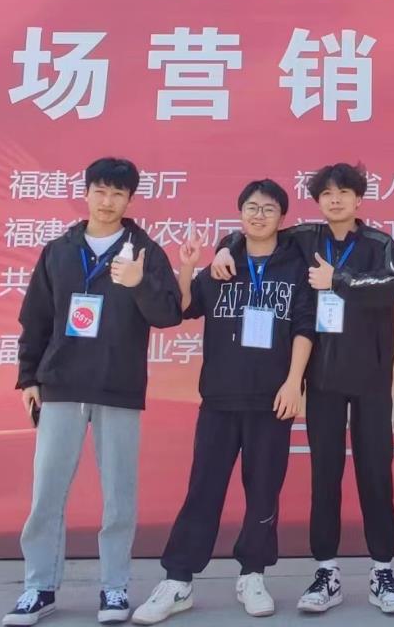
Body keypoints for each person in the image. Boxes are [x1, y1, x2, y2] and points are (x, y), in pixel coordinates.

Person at [208, 163, 394, 614]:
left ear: (359, 200)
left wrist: (337, 280)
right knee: (325, 475)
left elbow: (390, 285)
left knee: (376, 474)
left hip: (372, 379)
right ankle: (326, 571)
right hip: (321, 380)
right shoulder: (304, 238)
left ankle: (382, 570)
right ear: (318, 202)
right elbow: (257, 234)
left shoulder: (379, 244)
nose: (335, 201)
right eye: (327, 194)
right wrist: (224, 248)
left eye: (344, 193)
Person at [6, 157, 184, 627]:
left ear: (130, 200)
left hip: (117, 386)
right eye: (100, 191)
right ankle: (39, 587)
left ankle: (114, 587)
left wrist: (139, 284)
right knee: (46, 493)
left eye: (118, 194)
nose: (108, 201)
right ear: (85, 193)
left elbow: (169, 314)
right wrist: (28, 377)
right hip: (61, 385)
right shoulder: (59, 251)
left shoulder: (144, 251)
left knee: (119, 496)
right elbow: (35, 319)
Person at [133, 180, 317, 625]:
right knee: (203, 490)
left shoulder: (295, 266)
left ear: (282, 217)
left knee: (263, 492)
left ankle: (252, 575)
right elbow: (182, 308)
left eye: (268, 209)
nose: (259, 215)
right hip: (218, 397)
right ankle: (178, 581)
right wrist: (188, 265)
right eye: (251, 207)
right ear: (239, 213)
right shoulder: (223, 264)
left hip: (271, 400)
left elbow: (304, 327)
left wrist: (294, 383)